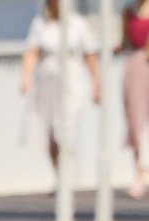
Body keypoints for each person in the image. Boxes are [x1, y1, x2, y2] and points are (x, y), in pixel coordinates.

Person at [21, 0, 102, 176]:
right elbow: (31, 51)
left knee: (64, 129)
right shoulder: (40, 23)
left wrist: (97, 83)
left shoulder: (79, 24)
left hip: (71, 79)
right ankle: (60, 176)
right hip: (47, 80)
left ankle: (66, 172)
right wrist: (25, 77)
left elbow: (90, 55)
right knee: (48, 131)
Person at [125, 0, 149, 196]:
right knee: (135, 120)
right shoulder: (129, 11)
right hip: (135, 64)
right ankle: (139, 173)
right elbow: (125, 40)